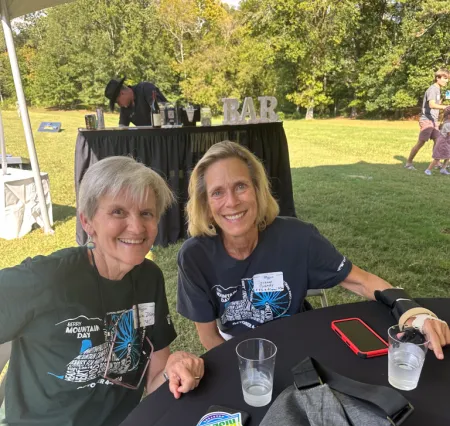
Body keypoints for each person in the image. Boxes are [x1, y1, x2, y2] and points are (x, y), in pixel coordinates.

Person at [0, 156, 204, 426]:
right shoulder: (47, 278)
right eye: (118, 212)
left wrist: (176, 368)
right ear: (87, 221)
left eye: (146, 213)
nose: (136, 227)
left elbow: (155, 381)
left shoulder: (149, 279)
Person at [177, 140, 450, 355]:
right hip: (237, 348)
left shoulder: (297, 236)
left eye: (240, 186)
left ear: (259, 191)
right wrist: (249, 364)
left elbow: (361, 281)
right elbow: (208, 336)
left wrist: (415, 314)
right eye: (217, 192)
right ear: (206, 204)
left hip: (298, 339)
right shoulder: (194, 256)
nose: (232, 202)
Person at [405, 68, 449, 170]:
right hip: (426, 120)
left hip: (433, 121)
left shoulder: (438, 90)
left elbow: (437, 104)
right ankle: (408, 163)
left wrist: (445, 101)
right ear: (438, 78)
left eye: (447, 79)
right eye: (445, 78)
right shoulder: (432, 89)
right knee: (421, 142)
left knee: (438, 140)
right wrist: (445, 107)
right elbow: (432, 104)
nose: (447, 81)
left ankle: (436, 163)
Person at [424, 106, 450, 175]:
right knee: (438, 157)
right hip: (443, 143)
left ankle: (443, 169)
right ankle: (428, 170)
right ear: (449, 116)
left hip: (447, 143)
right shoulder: (448, 124)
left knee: (448, 156)